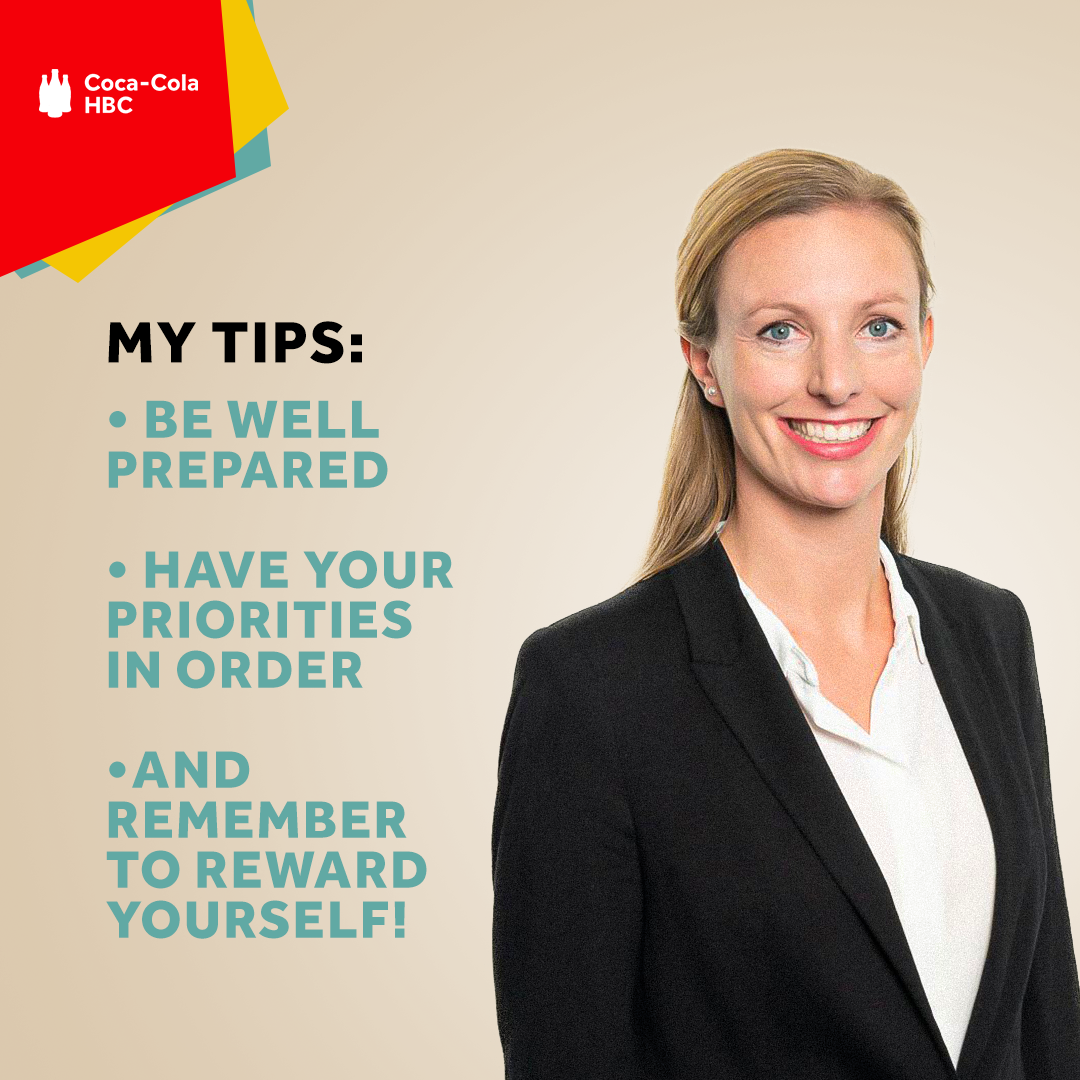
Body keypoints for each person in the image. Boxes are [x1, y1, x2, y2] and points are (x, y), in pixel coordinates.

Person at [491, 148, 1080, 1079]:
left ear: (926, 342)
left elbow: (1046, 1022)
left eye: (878, 325)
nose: (838, 380)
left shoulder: (989, 634)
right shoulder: (595, 688)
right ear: (705, 363)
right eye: (780, 332)